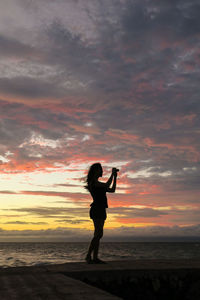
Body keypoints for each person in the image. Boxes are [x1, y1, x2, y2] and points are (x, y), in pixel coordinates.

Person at [84, 163, 118, 264]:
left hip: (101, 209)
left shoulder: (98, 184)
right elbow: (107, 185)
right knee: (98, 234)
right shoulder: (93, 183)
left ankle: (94, 257)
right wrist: (112, 175)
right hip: (96, 209)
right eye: (99, 169)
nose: (101, 171)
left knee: (99, 234)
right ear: (95, 171)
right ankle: (88, 256)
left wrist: (115, 177)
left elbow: (112, 190)